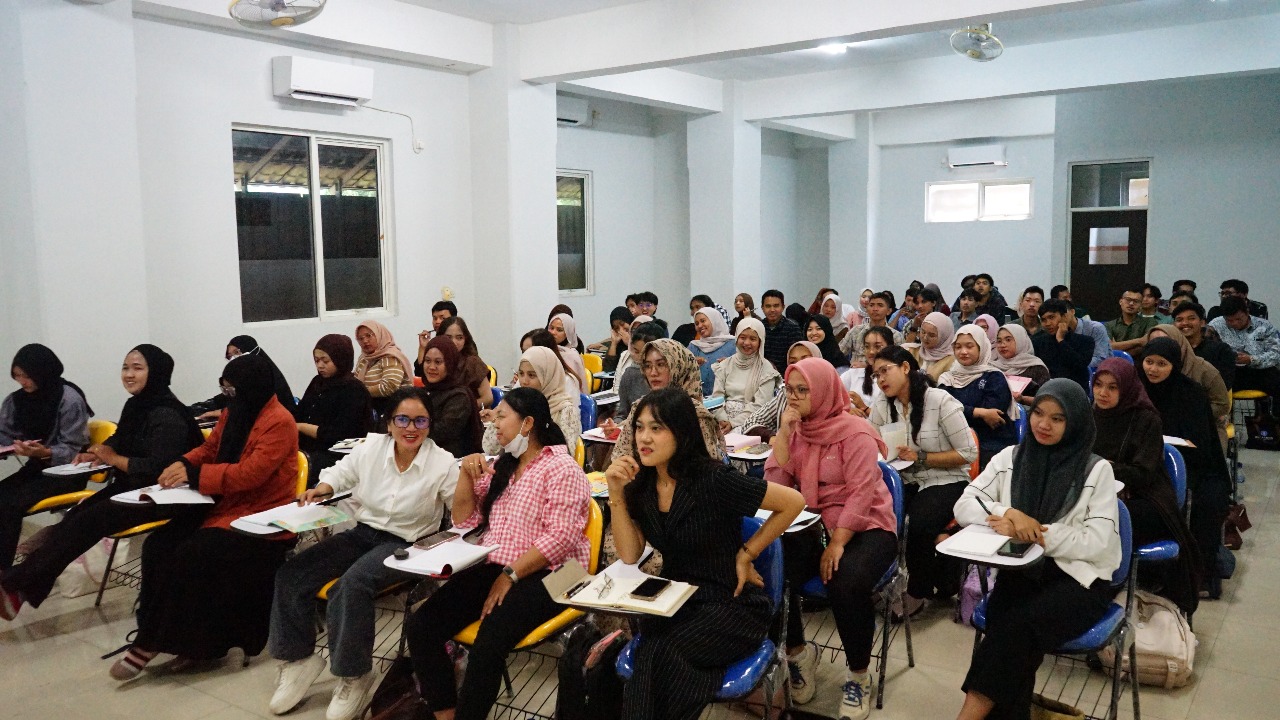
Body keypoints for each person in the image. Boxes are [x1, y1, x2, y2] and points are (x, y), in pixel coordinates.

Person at [605, 387, 805, 720]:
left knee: (657, 652)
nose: (644, 437)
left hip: (731, 603)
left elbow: (793, 503)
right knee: (655, 651)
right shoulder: (641, 487)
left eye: (657, 428)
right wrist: (616, 494)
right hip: (676, 601)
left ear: (681, 433)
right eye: (639, 427)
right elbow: (629, 554)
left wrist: (746, 554)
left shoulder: (712, 478)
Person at [268, 387, 459, 720]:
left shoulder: (441, 462)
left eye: (420, 420)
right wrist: (324, 487)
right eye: (402, 419)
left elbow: (462, 511)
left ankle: (354, 675)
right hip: (362, 533)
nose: (410, 428)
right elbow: (343, 472)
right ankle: (298, 660)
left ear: (430, 424)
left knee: (352, 585)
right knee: (294, 572)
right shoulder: (372, 447)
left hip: (405, 545)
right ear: (389, 423)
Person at [108, 353, 298, 680]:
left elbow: (251, 475)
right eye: (225, 389)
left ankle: (160, 643)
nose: (228, 397)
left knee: (192, 554)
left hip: (261, 516)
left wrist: (196, 477)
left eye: (233, 390)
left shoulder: (279, 421)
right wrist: (184, 462)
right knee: (158, 545)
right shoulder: (234, 411)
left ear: (251, 388)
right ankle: (161, 635)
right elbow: (209, 451)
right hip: (225, 505)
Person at [404, 388, 591, 720]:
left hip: (560, 571)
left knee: (488, 643)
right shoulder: (503, 467)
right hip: (499, 564)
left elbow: (561, 537)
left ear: (528, 423)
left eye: (502, 417)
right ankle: (445, 713)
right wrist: (464, 473)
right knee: (423, 626)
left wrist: (511, 575)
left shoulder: (562, 468)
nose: (495, 425)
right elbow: (465, 519)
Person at [953, 380, 1121, 720]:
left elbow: (1099, 542)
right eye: (1039, 413)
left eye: (1057, 419)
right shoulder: (1011, 457)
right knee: (1010, 637)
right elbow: (965, 504)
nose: (1043, 424)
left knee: (1012, 630)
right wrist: (1008, 513)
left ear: (1074, 422)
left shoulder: (1096, 469)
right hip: (1023, 572)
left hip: (1080, 580)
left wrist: (1040, 534)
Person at [0, 345, 202, 616]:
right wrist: (94, 452)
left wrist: (113, 458)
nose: (128, 374)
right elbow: (119, 439)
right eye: (125, 367)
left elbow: (157, 470)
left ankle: (12, 585)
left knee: (87, 521)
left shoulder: (167, 414)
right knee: (76, 516)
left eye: (137, 368)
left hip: (165, 495)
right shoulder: (137, 404)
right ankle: (20, 591)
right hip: (133, 487)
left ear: (156, 373)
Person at [765, 359, 896, 718]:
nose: (793, 398)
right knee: (771, 568)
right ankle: (798, 654)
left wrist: (838, 542)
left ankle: (858, 675)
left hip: (869, 526)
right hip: (814, 524)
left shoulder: (856, 432)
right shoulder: (797, 429)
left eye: (802, 390)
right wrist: (782, 437)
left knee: (845, 581)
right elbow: (777, 492)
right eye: (789, 390)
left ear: (823, 390)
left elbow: (861, 494)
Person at [867, 347, 978, 616]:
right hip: (902, 477)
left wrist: (922, 457)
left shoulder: (939, 400)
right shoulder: (882, 404)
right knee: (875, 516)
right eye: (875, 374)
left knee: (920, 523)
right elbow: (870, 443)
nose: (880, 379)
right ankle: (876, 581)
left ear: (905, 368)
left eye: (885, 371)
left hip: (946, 479)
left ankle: (918, 591)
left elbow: (968, 453)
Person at [1091, 359, 1199, 615]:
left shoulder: (1146, 419)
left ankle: (1103, 596)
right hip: (1101, 495)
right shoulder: (1091, 414)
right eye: (1098, 385)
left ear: (1126, 388)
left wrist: (1103, 466)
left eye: (1112, 387)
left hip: (1147, 499)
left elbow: (1143, 475)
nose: (1103, 393)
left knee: (1108, 520)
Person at [1139, 338, 1232, 591]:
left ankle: (1194, 572)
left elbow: (1200, 442)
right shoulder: (1138, 388)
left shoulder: (1191, 393)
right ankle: (1145, 571)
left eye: (1162, 364)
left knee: (1206, 500)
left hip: (1192, 463)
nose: (1153, 369)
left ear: (1175, 366)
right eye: (1149, 361)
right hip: (1145, 462)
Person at [0, 344, 91, 569]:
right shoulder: (16, 400)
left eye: (27, 376)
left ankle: (4, 572)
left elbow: (72, 449)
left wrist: (46, 452)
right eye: (18, 376)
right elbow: (4, 434)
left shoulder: (69, 399)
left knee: (9, 505)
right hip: (37, 469)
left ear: (43, 372)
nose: (23, 382)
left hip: (68, 473)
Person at [612, 339, 725, 462]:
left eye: (661, 364)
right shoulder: (641, 407)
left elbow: (705, 469)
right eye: (648, 366)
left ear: (679, 367)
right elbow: (621, 455)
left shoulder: (695, 414)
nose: (653, 373)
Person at [295, 335, 373, 486]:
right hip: (311, 448)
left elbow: (338, 435)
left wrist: (301, 426)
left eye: (326, 361)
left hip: (339, 454)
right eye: (317, 360)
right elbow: (300, 413)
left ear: (341, 359)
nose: (320, 366)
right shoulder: (317, 382)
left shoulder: (354, 389)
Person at [938, 326, 1017, 470]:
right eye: (958, 347)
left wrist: (963, 411)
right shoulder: (947, 378)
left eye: (970, 346)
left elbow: (993, 415)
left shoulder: (994, 376)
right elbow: (942, 410)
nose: (963, 352)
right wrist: (979, 412)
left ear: (981, 348)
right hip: (953, 441)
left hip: (990, 441)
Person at [483, 347, 581, 455]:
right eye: (521, 374)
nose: (524, 381)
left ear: (547, 376)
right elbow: (490, 448)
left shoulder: (564, 410)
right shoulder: (514, 405)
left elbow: (565, 454)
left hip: (546, 468)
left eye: (531, 375)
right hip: (511, 465)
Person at [1142, 324, 1229, 429]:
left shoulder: (1204, 369)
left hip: (1205, 425)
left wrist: (1192, 412)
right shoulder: (1143, 371)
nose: (1159, 346)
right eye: (1153, 342)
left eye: (1166, 340)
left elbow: (1222, 405)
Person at [189, 336, 296, 419]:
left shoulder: (267, 378)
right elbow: (230, 397)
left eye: (237, 352)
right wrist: (202, 407)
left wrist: (221, 412)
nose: (233, 359)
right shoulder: (244, 379)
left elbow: (256, 406)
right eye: (230, 356)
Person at [710, 318, 782, 431]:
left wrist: (733, 423)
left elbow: (760, 405)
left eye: (753, 339)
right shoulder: (724, 365)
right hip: (721, 423)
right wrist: (724, 421)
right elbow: (717, 398)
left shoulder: (767, 370)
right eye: (742, 337)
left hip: (753, 423)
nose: (747, 343)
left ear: (760, 341)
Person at [418, 336, 484, 458]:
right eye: (427, 361)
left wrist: (411, 429)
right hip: (424, 456)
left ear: (450, 363)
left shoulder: (459, 396)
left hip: (452, 461)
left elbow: (442, 432)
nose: (431, 367)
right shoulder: (423, 392)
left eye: (438, 362)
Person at [737, 341, 819, 437]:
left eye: (805, 360)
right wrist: (774, 438)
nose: (798, 365)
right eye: (793, 362)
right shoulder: (786, 394)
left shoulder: (829, 397)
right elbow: (750, 423)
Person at [1209, 294, 1280, 401]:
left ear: (1247, 312)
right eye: (1230, 321)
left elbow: (1276, 354)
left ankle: (1271, 415)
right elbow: (1208, 348)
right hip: (1231, 372)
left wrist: (1251, 359)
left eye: (1239, 319)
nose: (1234, 323)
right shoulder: (1216, 325)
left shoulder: (1264, 326)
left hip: (1260, 370)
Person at [1033, 300, 1095, 392]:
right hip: (1047, 392)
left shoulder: (1085, 341)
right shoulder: (1037, 342)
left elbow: (1079, 365)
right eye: (1043, 320)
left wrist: (1060, 340)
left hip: (1075, 393)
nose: (1048, 323)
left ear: (1065, 317)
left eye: (1052, 317)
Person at [613, 323, 667, 423]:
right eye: (637, 352)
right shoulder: (630, 374)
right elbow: (622, 414)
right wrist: (614, 426)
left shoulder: (671, 374)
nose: (640, 358)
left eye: (645, 352)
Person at [356, 321, 413, 416]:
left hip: (393, 409)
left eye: (369, 336)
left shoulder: (390, 357)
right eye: (360, 338)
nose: (365, 341)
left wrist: (360, 392)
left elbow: (390, 386)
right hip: (370, 407)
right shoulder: (364, 358)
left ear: (380, 335)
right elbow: (356, 381)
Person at [1173, 302, 1236, 388]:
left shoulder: (1221, 350)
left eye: (1191, 318)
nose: (1185, 323)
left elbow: (1224, 384)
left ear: (1202, 323)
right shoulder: (1171, 350)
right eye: (1179, 320)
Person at [437, 317, 493, 409]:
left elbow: (488, 398)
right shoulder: (437, 362)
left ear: (465, 339)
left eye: (459, 338)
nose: (454, 342)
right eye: (448, 337)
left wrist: (462, 408)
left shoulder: (473, 362)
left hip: (472, 416)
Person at [840, 292, 903, 367]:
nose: (875, 309)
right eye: (871, 305)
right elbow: (839, 353)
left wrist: (867, 365)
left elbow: (899, 363)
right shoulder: (856, 331)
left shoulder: (896, 336)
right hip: (855, 373)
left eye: (880, 305)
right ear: (866, 309)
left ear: (889, 311)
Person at [992, 325, 1050, 405]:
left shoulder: (1036, 367)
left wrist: (1023, 399)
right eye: (999, 341)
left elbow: (1046, 401)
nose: (1002, 345)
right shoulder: (992, 367)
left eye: (1008, 340)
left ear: (1020, 341)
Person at [844, 328, 895, 418]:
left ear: (890, 347)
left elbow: (891, 418)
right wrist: (846, 410)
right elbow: (831, 399)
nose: (871, 352)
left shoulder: (895, 378)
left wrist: (864, 408)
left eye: (877, 346)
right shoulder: (852, 374)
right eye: (867, 346)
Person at [688, 307, 737, 396]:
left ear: (714, 320)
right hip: (698, 399)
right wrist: (691, 363)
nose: (699, 326)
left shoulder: (733, 344)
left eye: (703, 321)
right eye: (696, 323)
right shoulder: (694, 346)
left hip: (727, 398)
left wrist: (730, 364)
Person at [760, 290, 805, 374]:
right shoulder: (759, 327)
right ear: (762, 308)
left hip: (786, 376)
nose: (772, 310)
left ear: (783, 307)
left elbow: (797, 357)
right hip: (762, 376)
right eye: (768, 306)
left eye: (776, 306)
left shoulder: (792, 328)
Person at [905, 311, 956, 383]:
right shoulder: (912, 350)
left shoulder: (952, 361)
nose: (925, 338)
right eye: (923, 332)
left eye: (931, 335)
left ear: (943, 337)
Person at [1104, 288, 1156, 353]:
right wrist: (1139, 341)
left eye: (1136, 301)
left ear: (1141, 305)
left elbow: (1146, 346)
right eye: (1128, 300)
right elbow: (1109, 347)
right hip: (1115, 361)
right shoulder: (1109, 325)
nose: (1131, 303)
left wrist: (1117, 347)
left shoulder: (1149, 322)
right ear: (1121, 302)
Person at [547, 312, 590, 392]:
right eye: (551, 328)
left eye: (559, 330)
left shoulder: (572, 356)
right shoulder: (545, 351)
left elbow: (573, 387)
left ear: (568, 333)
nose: (553, 332)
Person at [598, 306, 634, 372]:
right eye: (616, 328)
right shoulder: (618, 344)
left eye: (622, 324)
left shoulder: (638, 337)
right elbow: (608, 369)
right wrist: (614, 343)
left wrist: (629, 343)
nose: (620, 330)